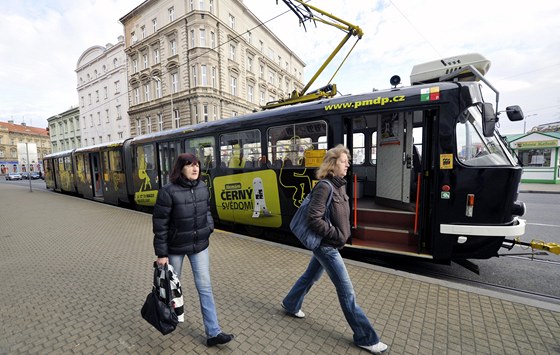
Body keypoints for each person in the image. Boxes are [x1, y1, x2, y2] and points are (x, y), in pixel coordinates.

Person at [281, 144, 388, 354]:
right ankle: (365, 337)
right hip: (326, 246)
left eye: (348, 161)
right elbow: (314, 219)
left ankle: (291, 303)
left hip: (331, 244)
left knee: (310, 276)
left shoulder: (340, 185)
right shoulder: (325, 186)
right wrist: (336, 234)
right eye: (343, 161)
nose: (348, 164)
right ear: (332, 164)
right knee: (347, 292)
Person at [152, 153, 234, 347]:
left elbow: (207, 211)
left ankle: (213, 332)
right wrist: (162, 254)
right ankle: (167, 320)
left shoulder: (203, 187)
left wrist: (209, 227)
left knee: (205, 287)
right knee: (171, 288)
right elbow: (160, 224)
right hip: (176, 248)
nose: (195, 168)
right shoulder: (168, 191)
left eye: (197, 165)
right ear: (180, 168)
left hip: (199, 246)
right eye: (190, 165)